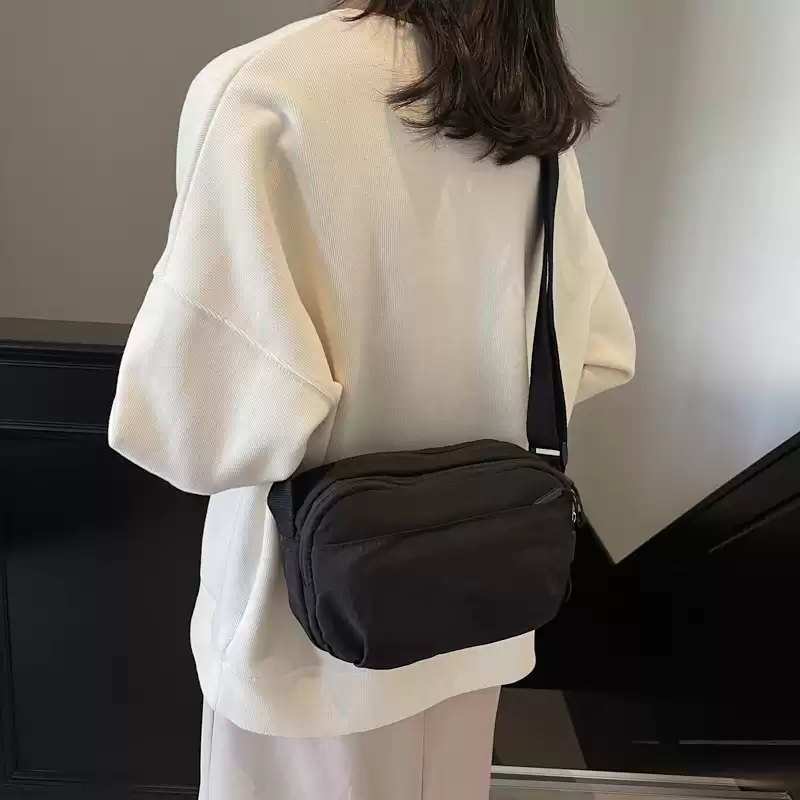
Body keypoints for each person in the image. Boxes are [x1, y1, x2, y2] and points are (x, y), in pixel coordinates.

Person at [109, 1, 635, 798]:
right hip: (475, 617)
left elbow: (198, 432)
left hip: (305, 637)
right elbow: (596, 352)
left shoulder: (267, 91)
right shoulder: (522, 105)